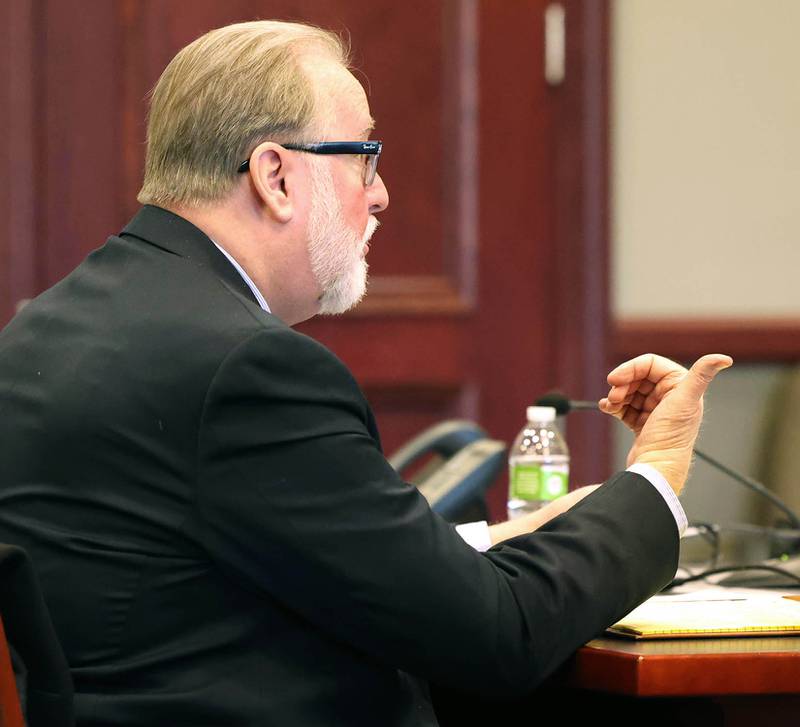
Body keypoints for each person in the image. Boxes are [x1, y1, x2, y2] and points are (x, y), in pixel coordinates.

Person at [0, 19, 731, 727]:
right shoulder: (247, 369)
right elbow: (497, 636)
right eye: (364, 158)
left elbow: (252, 554)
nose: (379, 194)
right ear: (275, 175)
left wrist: (499, 539)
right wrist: (656, 475)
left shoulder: (43, 331)